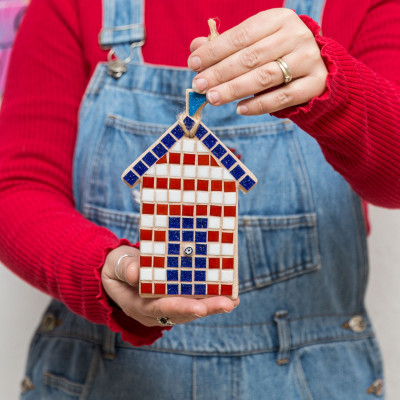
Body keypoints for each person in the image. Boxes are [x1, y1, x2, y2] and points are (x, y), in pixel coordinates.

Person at [0, 0, 399, 398]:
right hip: (102, 371)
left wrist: (334, 86)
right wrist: (103, 268)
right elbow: (18, 185)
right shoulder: (69, 6)